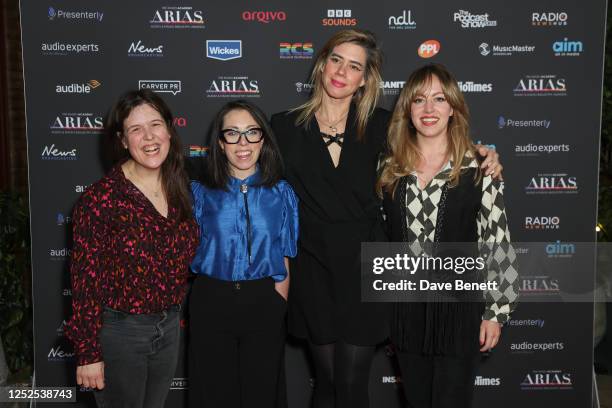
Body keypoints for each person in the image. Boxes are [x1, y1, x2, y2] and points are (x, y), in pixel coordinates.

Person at [270, 29, 503, 408]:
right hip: (313, 269)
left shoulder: (383, 128)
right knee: (327, 383)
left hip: (368, 271)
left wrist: (481, 153)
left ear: (365, 79)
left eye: (354, 66)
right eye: (336, 60)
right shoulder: (282, 127)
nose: (342, 71)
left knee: (353, 382)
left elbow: (436, 141)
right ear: (321, 64)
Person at [377, 63, 519, 408]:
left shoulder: (479, 166)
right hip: (407, 311)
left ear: (453, 108)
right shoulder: (388, 169)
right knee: (416, 400)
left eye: (439, 99)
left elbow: (497, 241)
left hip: (460, 311)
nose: (429, 109)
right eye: (419, 100)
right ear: (407, 110)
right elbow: (381, 235)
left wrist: (495, 312)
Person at [65, 89, 199, 408]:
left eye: (155, 124)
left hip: (168, 328)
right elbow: (85, 281)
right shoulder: (100, 200)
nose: (149, 137)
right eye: (135, 129)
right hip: (120, 334)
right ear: (123, 141)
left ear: (169, 130)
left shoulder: (183, 188)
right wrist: (88, 354)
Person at [188, 100, 299, 408]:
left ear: (263, 139)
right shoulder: (198, 192)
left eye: (252, 132)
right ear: (220, 143)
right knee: (213, 394)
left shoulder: (281, 192)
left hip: (263, 300)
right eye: (233, 134)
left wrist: (278, 301)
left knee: (262, 393)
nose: (243, 143)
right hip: (211, 299)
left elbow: (285, 252)